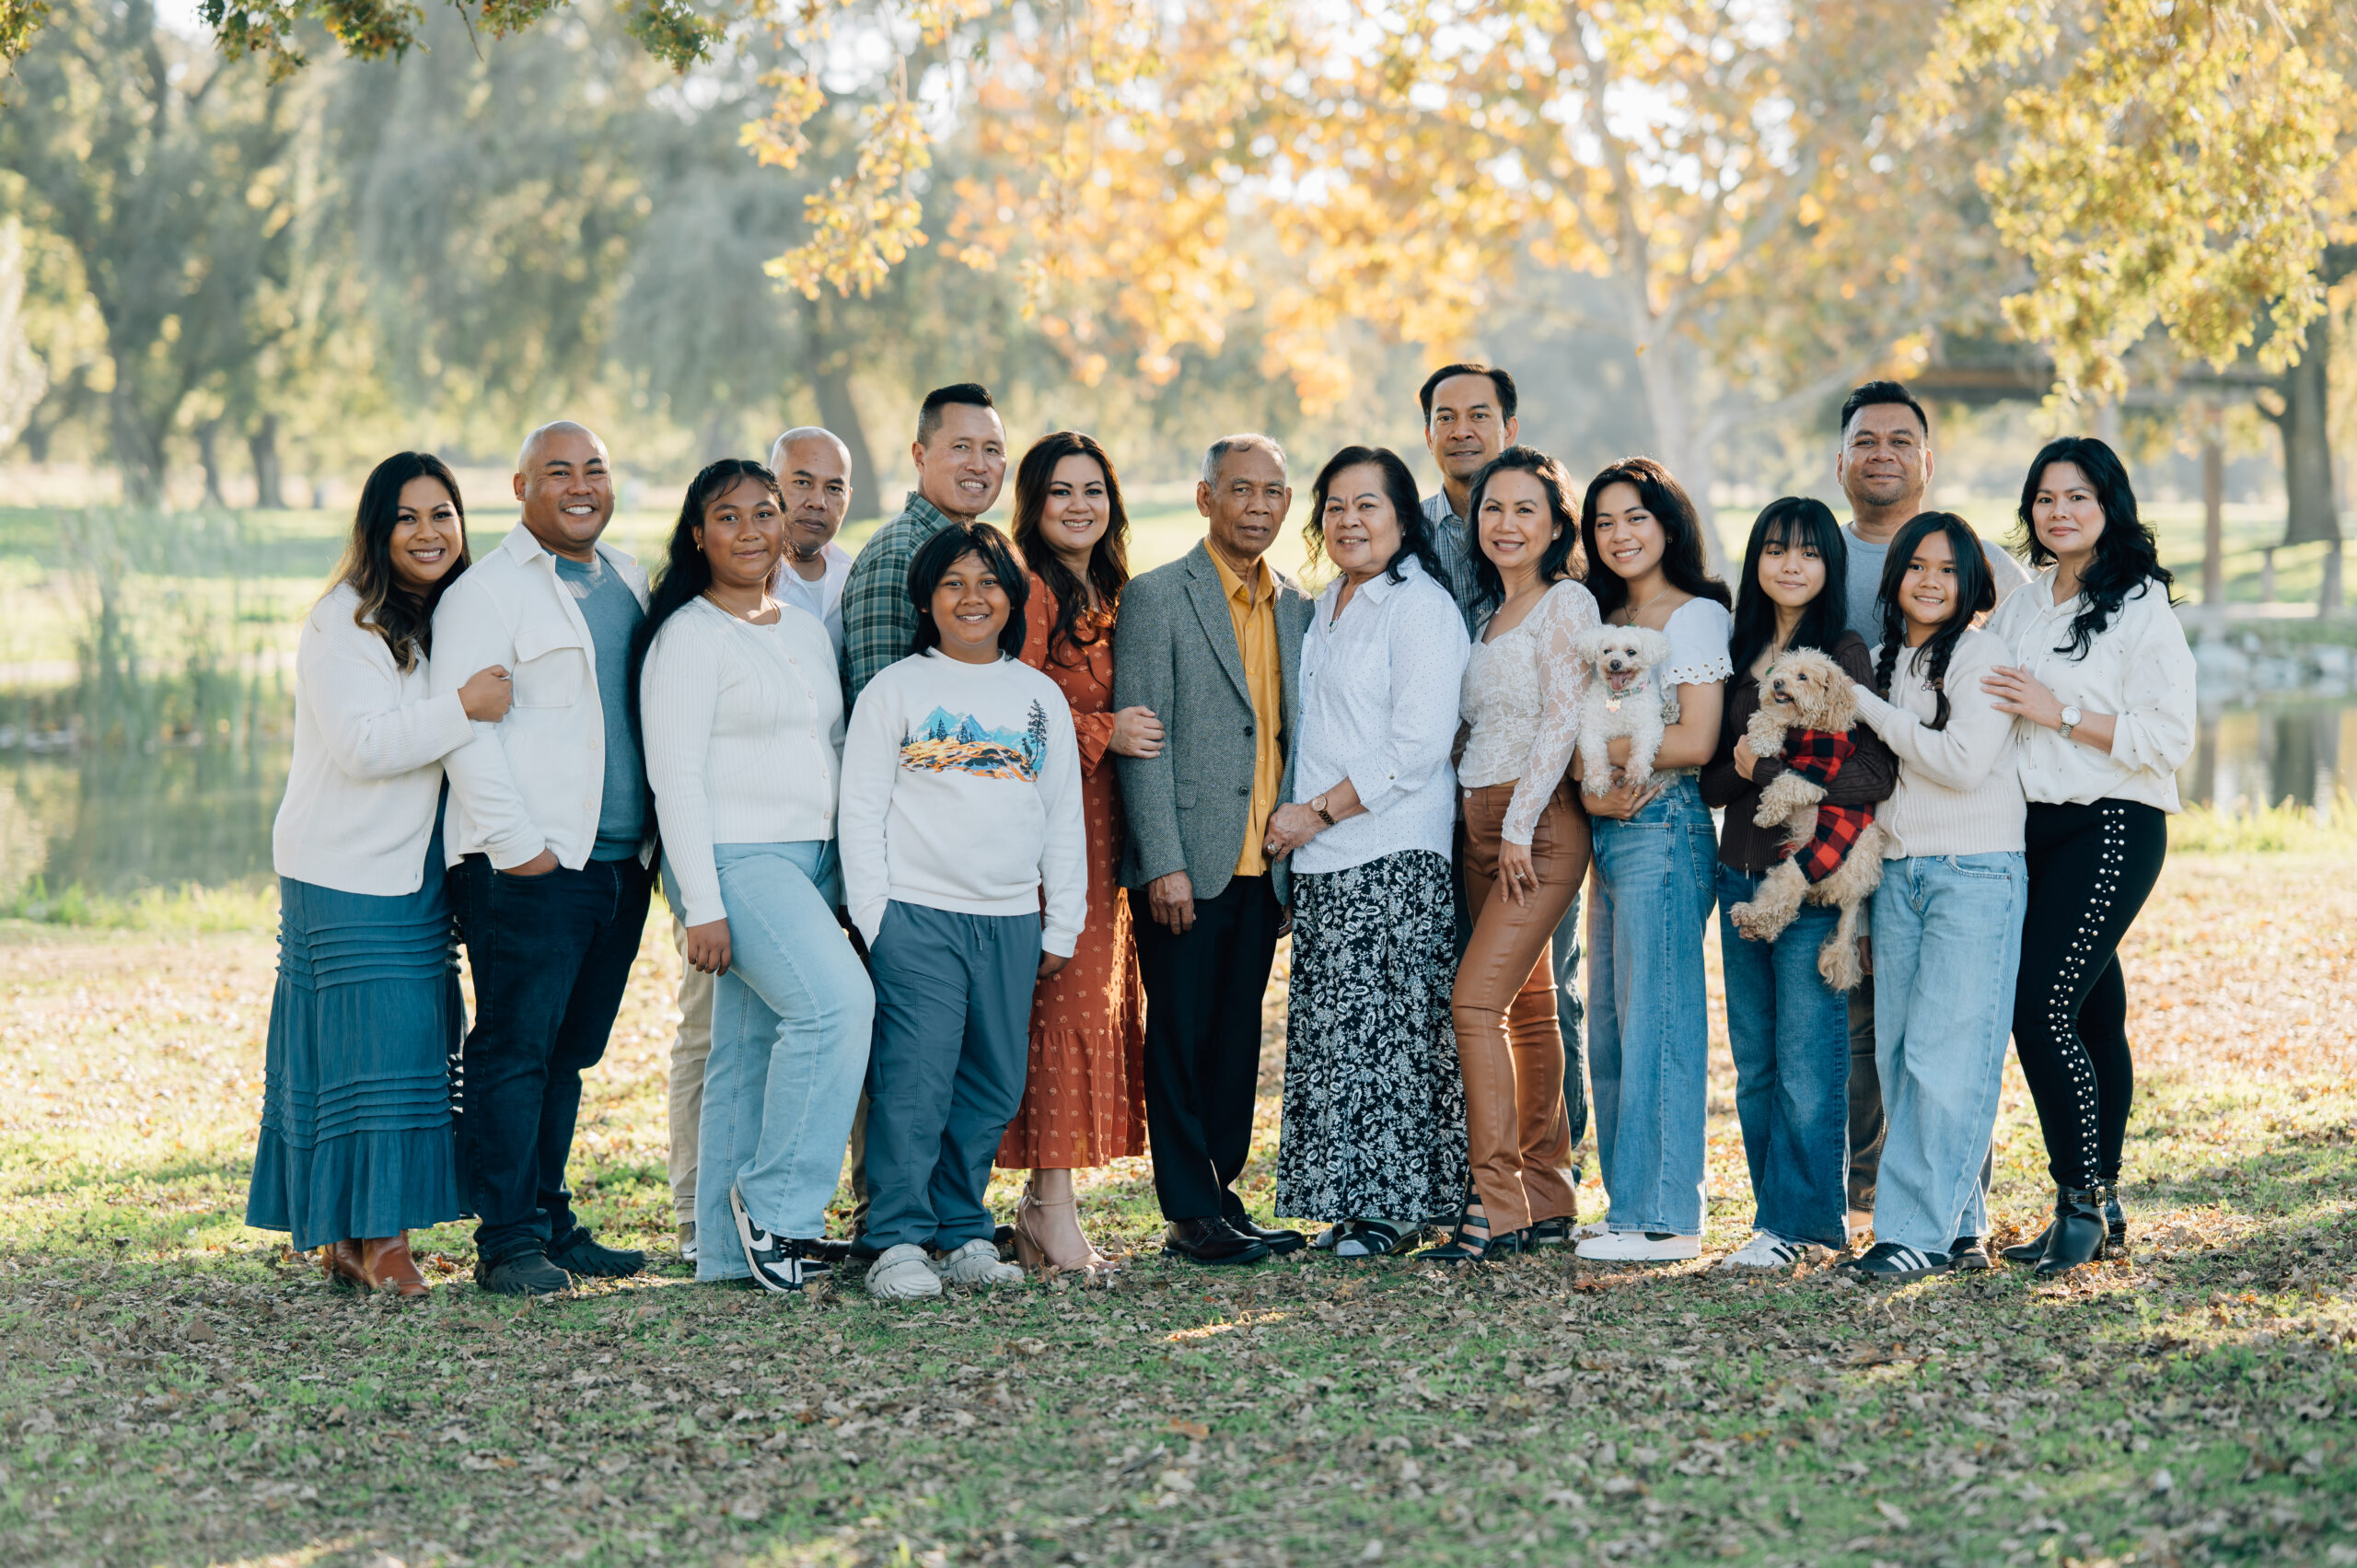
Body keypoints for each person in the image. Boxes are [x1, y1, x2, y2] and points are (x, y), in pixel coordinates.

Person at [248, 453, 512, 1295]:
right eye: (409, 517)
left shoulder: (457, 617)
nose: (430, 532)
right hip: (345, 868)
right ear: (376, 528)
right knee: (367, 1056)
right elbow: (363, 747)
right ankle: (379, 1238)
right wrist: (461, 707)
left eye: (444, 514)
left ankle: (362, 1238)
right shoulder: (345, 620)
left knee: (407, 1051)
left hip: (417, 874)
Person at [636, 459, 872, 1294]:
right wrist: (700, 903)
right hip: (739, 861)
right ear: (697, 534)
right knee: (838, 1005)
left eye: (764, 513)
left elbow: (832, 752)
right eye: (727, 517)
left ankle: (726, 1252)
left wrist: (845, 871)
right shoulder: (688, 637)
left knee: (745, 1048)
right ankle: (780, 1212)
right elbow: (677, 780)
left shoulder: (803, 626)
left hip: (810, 861)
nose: (750, 530)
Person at [431, 421, 653, 1296]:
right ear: (520, 486)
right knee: (515, 1050)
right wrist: (520, 851)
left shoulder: (628, 578)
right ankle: (508, 1241)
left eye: (594, 467)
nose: (580, 484)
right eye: (556, 470)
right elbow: (467, 734)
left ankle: (552, 1218)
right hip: (528, 867)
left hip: (617, 867)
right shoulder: (485, 592)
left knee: (569, 1053)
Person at [839, 520, 1086, 1301]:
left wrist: (1062, 920)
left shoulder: (1037, 695)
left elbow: (1061, 813)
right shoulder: (898, 689)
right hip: (919, 916)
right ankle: (897, 1238)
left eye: (987, 583)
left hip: (1011, 920)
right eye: (952, 583)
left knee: (992, 1082)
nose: (971, 598)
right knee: (915, 1080)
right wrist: (877, 918)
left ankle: (962, 1230)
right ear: (926, 599)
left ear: (1012, 598)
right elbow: (861, 810)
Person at [1982, 438, 2195, 1278]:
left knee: (2040, 1006)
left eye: (2077, 496)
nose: (2059, 511)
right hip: (2034, 829)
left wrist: (2060, 710)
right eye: (2045, 497)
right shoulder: (2025, 604)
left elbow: (2168, 738)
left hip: (2113, 820)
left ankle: (2076, 1202)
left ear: (2110, 505)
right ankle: (2104, 1201)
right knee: (2095, 1015)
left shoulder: (2141, 604)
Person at [1264, 446, 1472, 1260]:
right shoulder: (1326, 606)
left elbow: (1416, 747)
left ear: (1401, 517)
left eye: (1368, 505)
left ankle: (1397, 1206)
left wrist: (1314, 813)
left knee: (1392, 1029)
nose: (1350, 521)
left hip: (1391, 845)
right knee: (1337, 1034)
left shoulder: (1419, 607)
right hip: (1321, 858)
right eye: (1336, 506)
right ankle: (1350, 1205)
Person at [1830, 379, 2028, 1232]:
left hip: (1973, 856)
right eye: (1866, 440)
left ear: (1928, 458)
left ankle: (1942, 1218)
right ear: (1842, 459)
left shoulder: (1989, 599)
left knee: (1953, 1044)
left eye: (1900, 440)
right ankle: (1900, 1205)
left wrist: (1864, 701)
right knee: (1889, 1044)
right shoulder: (1830, 569)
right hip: (1880, 853)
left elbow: (1973, 744)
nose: (1882, 453)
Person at [1114, 435, 1315, 1267]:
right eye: (1241, 489)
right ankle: (1189, 1209)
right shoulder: (1158, 597)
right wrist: (1161, 860)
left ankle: (1223, 1195)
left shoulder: (1300, 607)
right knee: (1182, 1039)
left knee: (1237, 1043)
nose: (1259, 506)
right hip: (1186, 862)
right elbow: (1143, 740)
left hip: (1265, 865)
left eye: (1274, 491)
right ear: (1206, 498)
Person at [1701, 498, 1894, 1272]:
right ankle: (1772, 1220)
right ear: (1756, 560)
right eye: (1776, 549)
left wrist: (1772, 769)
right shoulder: (1740, 646)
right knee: (1756, 1063)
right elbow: (1718, 777)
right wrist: (1745, 768)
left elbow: (1873, 771)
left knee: (1811, 1063)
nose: (1790, 564)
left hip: (1811, 884)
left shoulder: (1844, 651)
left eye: (1808, 552)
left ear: (1828, 566)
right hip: (1738, 872)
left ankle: (1809, 1225)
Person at [1422, 447, 1598, 1262]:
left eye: (1526, 508)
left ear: (1557, 521)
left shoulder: (1569, 602)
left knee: (1474, 1003)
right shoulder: (1488, 614)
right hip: (1479, 822)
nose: (1506, 523)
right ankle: (1546, 1193)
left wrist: (1520, 826)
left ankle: (1494, 1204)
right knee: (1526, 1010)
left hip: (1541, 825)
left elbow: (1561, 721)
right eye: (1493, 508)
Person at [999, 431, 1160, 1273]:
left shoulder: (1111, 589)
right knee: (1058, 1011)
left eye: (1093, 489)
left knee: (1089, 1008)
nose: (1079, 505)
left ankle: (1045, 1208)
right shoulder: (1026, 590)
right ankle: (1050, 1211)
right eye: (1060, 491)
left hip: (1110, 835)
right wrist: (1107, 727)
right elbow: (1008, 712)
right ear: (1033, 503)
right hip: (1053, 832)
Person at [1571, 457, 1731, 1264]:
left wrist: (1595, 760)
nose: (1620, 534)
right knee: (1611, 1025)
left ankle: (1669, 1216)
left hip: (1665, 826)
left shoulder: (1693, 617)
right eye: (1603, 521)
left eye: (1635, 516)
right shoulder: (1602, 620)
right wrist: (1585, 775)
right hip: (1611, 828)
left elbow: (1697, 740)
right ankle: (1629, 1200)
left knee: (1660, 1019)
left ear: (1668, 522)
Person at [840, 384, 1009, 705]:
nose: (978, 464)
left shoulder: (981, 553)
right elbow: (881, 710)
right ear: (920, 456)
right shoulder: (899, 555)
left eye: (992, 449)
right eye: (961, 446)